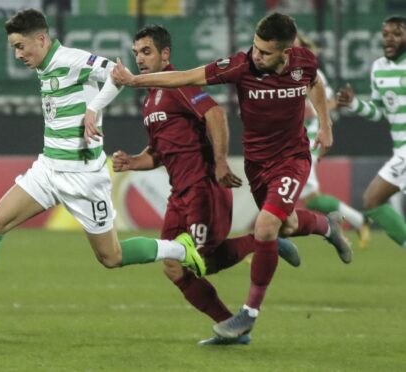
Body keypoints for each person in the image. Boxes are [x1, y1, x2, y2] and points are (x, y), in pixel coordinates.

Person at [0, 9, 206, 331]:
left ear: (42, 39)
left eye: (21, 46)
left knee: (111, 257)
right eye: (14, 49)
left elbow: (119, 74)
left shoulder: (71, 59)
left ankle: (179, 248)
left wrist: (93, 108)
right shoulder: (43, 65)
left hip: (85, 179)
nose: (18, 55)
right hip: (48, 168)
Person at [112, 12, 352, 341]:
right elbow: (188, 81)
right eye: (255, 47)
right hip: (256, 165)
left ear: (286, 52)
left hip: (291, 158)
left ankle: (247, 315)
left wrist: (325, 123)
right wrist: (135, 87)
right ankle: (327, 226)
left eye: (265, 53)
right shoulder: (241, 65)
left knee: (262, 227)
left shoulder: (303, 61)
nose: (256, 56)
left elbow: (313, 82)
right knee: (285, 225)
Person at [294, 34, 370, 248]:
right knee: (312, 200)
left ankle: (263, 244)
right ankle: (358, 220)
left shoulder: (312, 73)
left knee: (277, 192)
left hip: (303, 143)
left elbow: (325, 105)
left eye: (294, 44)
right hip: (286, 142)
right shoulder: (277, 71)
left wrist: (309, 110)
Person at [337, 16, 406, 249]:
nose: (389, 39)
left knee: (372, 199)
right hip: (400, 148)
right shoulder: (379, 68)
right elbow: (379, 112)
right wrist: (355, 104)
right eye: (386, 34)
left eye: (397, 33)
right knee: (373, 201)